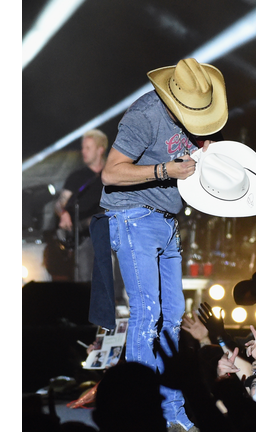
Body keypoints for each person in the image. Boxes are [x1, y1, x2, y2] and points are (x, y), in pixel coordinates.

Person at [98, 57, 228, 432]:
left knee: (173, 317)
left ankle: (173, 411)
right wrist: (164, 171)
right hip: (133, 216)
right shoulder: (144, 114)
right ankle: (139, 414)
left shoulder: (199, 117)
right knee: (147, 313)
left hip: (167, 221)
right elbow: (110, 173)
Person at [53, 129, 109, 282]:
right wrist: (63, 214)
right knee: (84, 279)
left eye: (88, 148)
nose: (83, 151)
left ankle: (117, 301)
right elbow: (59, 204)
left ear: (100, 149)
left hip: (109, 236)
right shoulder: (77, 177)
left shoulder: (112, 174)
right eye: (83, 147)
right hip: (83, 237)